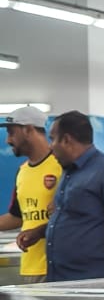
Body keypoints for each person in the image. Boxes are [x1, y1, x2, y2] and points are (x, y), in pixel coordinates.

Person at [17, 110, 104, 282]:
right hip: (60, 278)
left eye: (53, 139)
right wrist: (38, 232)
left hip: (93, 280)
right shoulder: (68, 173)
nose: (50, 147)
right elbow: (72, 217)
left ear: (66, 140)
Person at [0, 106, 62, 283]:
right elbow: (17, 217)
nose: (8, 140)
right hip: (29, 267)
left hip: (56, 269)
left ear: (28, 129)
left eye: (11, 132)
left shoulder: (61, 165)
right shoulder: (23, 172)